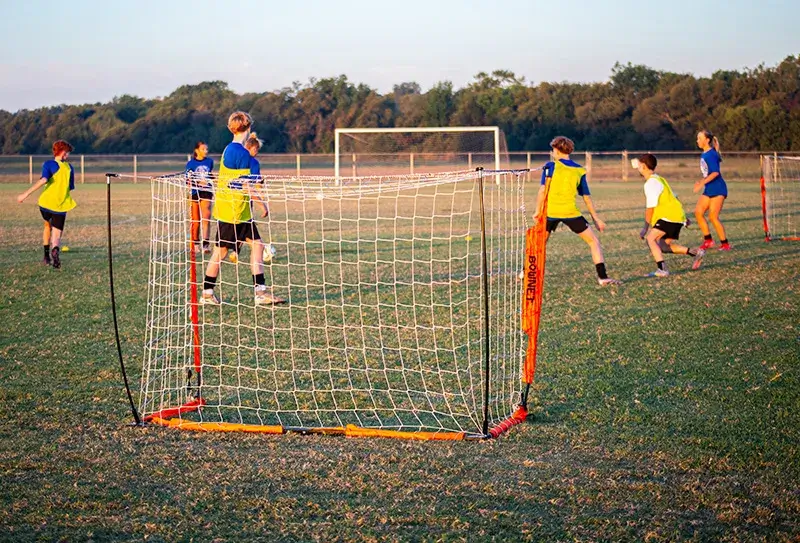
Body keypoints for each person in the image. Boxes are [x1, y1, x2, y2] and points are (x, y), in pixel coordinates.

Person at [201, 112, 285, 305]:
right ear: (248, 128)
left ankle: (260, 292)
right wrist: (262, 198)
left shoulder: (230, 149)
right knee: (220, 253)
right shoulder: (239, 152)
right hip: (233, 213)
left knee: (257, 245)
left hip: (240, 212)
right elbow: (246, 184)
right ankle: (207, 293)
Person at [532, 136, 621, 286]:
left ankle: (526, 273)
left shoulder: (550, 166)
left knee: (540, 244)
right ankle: (603, 277)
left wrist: (537, 211)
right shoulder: (579, 170)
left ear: (557, 150)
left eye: (553, 149)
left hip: (550, 212)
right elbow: (586, 197)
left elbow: (542, 191)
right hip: (571, 213)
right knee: (594, 242)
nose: (552, 152)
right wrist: (596, 219)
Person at [634, 153, 705, 276]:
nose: (638, 168)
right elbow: (675, 197)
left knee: (651, 239)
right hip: (676, 217)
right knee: (663, 246)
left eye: (639, 165)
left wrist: (645, 228)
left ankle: (662, 269)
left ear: (644, 166)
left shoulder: (650, 183)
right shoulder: (659, 179)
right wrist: (683, 217)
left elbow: (650, 208)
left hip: (668, 217)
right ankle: (695, 252)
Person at [16, 140, 77, 269]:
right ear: (62, 152)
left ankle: (45, 256)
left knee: (47, 225)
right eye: (67, 153)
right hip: (61, 205)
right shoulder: (69, 168)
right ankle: (55, 249)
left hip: (46, 203)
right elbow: (70, 187)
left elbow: (44, 180)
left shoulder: (48, 164)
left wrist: (25, 195)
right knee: (57, 231)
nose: (68, 155)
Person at [228, 133, 264, 263]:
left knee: (243, 226)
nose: (257, 152)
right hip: (246, 199)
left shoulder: (236, 157)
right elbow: (253, 183)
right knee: (245, 226)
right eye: (256, 149)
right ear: (250, 148)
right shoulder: (253, 162)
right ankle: (234, 250)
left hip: (232, 198)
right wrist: (262, 202)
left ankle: (235, 251)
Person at [694, 130, 730, 251]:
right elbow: (708, 173)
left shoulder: (711, 155)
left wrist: (702, 183)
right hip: (709, 188)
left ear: (707, 140)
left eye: (699, 138)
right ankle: (708, 240)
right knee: (698, 212)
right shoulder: (706, 154)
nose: (697, 140)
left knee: (713, 217)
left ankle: (725, 244)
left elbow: (715, 173)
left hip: (718, 188)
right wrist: (701, 181)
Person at [186, 141, 214, 254]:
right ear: (197, 150)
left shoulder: (210, 162)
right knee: (196, 221)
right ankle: (195, 244)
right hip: (194, 192)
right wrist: (198, 182)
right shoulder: (190, 164)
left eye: (206, 149)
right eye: (203, 149)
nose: (206, 151)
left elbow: (210, 175)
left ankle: (205, 245)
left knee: (206, 218)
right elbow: (188, 180)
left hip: (206, 192)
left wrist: (212, 180)